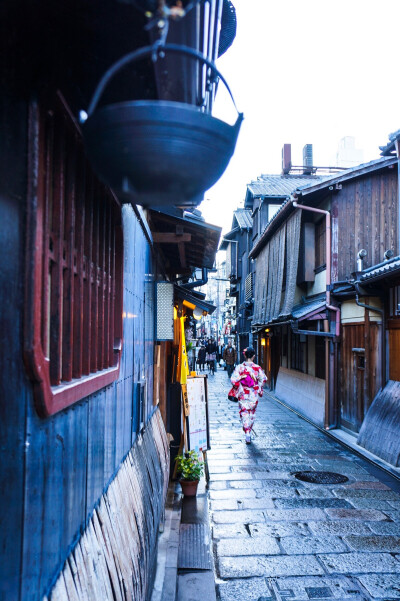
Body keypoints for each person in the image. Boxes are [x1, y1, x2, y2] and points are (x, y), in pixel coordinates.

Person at [230, 347, 267, 444]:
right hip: (253, 394)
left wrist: (240, 380)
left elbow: (233, 380)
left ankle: (247, 432)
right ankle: (249, 431)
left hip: (243, 393)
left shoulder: (240, 367)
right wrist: (258, 388)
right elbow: (263, 379)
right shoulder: (257, 368)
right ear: (254, 356)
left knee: (244, 412)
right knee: (252, 413)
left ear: (245, 355)